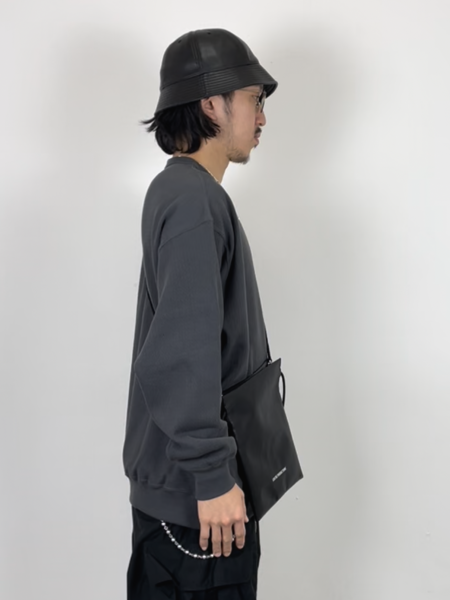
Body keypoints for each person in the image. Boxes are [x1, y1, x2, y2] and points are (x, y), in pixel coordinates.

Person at [123, 27, 278, 599]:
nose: (262, 118)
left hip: (187, 502)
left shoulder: (183, 192)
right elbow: (178, 354)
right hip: (199, 509)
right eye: (254, 100)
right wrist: (212, 475)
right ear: (212, 103)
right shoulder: (192, 200)